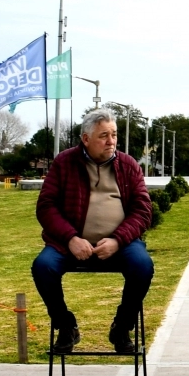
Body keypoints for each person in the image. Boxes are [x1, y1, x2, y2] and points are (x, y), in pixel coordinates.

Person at [33, 109, 154, 354]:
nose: (111, 141)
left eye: (114, 135)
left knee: (143, 266)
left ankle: (122, 326)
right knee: (43, 267)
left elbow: (143, 211)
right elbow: (46, 208)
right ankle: (65, 325)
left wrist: (118, 240)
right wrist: (71, 239)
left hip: (121, 245)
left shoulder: (129, 165)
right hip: (70, 244)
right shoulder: (64, 162)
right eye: (104, 136)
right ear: (85, 139)